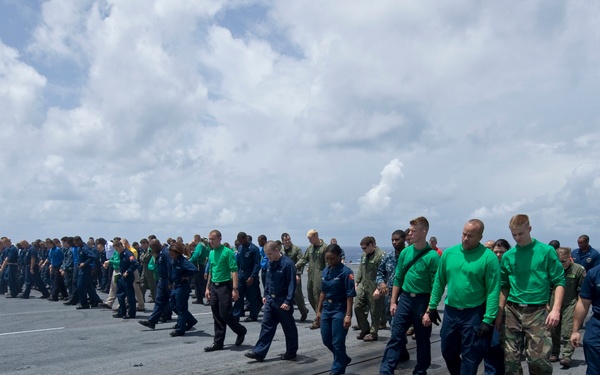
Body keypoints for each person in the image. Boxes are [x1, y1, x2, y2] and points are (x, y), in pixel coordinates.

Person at [425, 219, 500, 375]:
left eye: (470, 236)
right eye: (464, 234)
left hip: (473, 313)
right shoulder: (449, 254)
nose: (465, 238)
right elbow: (439, 281)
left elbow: (493, 290)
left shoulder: (488, 257)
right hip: (451, 311)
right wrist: (432, 306)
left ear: (480, 237)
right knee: (447, 351)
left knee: (470, 355)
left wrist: (488, 319)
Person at [496, 214, 565, 375]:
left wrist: (556, 309)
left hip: (537, 311)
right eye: (514, 234)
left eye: (521, 233)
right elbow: (504, 286)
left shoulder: (546, 251)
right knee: (510, 359)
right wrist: (499, 312)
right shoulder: (508, 256)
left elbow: (559, 281)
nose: (517, 238)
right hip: (512, 309)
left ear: (530, 229)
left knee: (538, 359)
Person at [380, 216, 440, 375]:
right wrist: (393, 302)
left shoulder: (432, 257)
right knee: (396, 337)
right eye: (410, 230)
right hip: (405, 299)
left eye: (413, 231)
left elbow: (436, 286)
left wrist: (430, 310)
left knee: (422, 340)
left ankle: (420, 371)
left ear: (423, 232)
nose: (410, 234)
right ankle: (385, 371)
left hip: (422, 301)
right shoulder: (406, 252)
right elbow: (398, 278)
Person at [244, 241, 298, 361]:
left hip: (282, 301)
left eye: (270, 254)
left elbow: (291, 284)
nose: (268, 257)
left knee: (288, 328)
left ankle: (291, 352)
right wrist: (265, 294)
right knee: (266, 326)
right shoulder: (269, 262)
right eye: (266, 255)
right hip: (270, 300)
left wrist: (288, 301)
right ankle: (259, 352)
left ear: (277, 250)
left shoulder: (287, 264)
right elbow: (268, 280)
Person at [315, 244, 356, 375]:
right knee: (326, 339)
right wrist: (319, 310)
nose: (329, 261)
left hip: (340, 309)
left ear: (339, 256)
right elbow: (323, 292)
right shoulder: (326, 271)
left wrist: (348, 315)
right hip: (327, 308)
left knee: (338, 342)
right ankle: (343, 358)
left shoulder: (346, 272)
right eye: (327, 259)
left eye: (332, 258)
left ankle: (337, 370)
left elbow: (350, 295)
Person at [204, 230, 247, 352]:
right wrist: (207, 288)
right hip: (214, 286)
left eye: (213, 239)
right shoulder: (211, 253)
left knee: (225, 314)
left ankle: (241, 331)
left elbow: (234, 271)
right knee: (216, 314)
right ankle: (218, 342)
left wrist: (235, 289)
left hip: (225, 286)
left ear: (220, 238)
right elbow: (211, 271)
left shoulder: (227, 252)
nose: (211, 241)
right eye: (209, 239)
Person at [549, 246, 585, 368]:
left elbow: (582, 290)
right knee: (553, 330)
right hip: (554, 302)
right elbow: (548, 286)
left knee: (568, 330)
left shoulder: (578, 270)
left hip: (570, 303)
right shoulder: (553, 269)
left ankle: (566, 356)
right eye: (558, 261)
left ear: (570, 258)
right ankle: (554, 352)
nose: (561, 264)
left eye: (563, 261)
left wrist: (580, 306)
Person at [483, 239, 511, 375]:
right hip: (489, 310)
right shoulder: (489, 265)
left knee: (498, 345)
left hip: (507, 311)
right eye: (496, 252)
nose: (498, 255)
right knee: (489, 345)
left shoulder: (510, 267)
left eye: (502, 252)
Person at [570, 262, 600, 375]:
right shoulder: (594, 273)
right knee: (594, 369)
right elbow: (583, 303)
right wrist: (575, 330)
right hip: (597, 325)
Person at [296, 229, 328, 329]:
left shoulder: (325, 248)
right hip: (311, 275)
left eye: (310, 239)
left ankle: (319, 319)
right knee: (310, 296)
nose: (309, 241)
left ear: (316, 236)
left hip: (320, 275)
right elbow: (304, 259)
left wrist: (326, 276)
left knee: (318, 296)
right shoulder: (310, 248)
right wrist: (294, 266)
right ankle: (319, 315)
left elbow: (328, 264)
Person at [355, 236, 385, 341]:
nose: (363, 250)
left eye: (365, 248)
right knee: (357, 306)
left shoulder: (381, 256)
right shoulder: (364, 255)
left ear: (371, 245)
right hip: (364, 284)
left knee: (374, 310)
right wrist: (357, 281)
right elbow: (361, 268)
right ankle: (365, 328)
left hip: (375, 285)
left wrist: (379, 288)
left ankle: (373, 333)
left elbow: (384, 273)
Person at [139, 239, 173, 330]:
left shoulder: (165, 253)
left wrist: (171, 281)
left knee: (175, 303)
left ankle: (189, 320)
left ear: (157, 245)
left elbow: (170, 267)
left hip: (167, 280)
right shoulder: (159, 253)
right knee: (158, 301)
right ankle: (152, 321)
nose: (152, 249)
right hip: (161, 279)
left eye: (152, 247)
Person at [376, 229, 406, 328]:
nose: (394, 242)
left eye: (397, 239)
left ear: (404, 239)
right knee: (392, 322)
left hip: (405, 295)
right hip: (389, 296)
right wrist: (381, 283)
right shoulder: (388, 257)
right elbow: (379, 272)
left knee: (399, 324)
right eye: (392, 240)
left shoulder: (409, 256)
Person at [168, 242, 198, 336]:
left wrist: (186, 275)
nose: (171, 255)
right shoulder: (175, 260)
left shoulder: (183, 261)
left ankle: (180, 329)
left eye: (172, 254)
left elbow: (194, 269)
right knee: (173, 305)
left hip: (182, 287)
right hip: (175, 286)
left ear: (177, 253)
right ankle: (191, 320)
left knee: (181, 308)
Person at [233, 232, 261, 322]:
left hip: (250, 275)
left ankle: (253, 315)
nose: (241, 243)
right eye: (239, 241)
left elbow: (257, 264)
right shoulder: (240, 248)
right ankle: (237, 313)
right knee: (238, 295)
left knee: (251, 296)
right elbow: (239, 261)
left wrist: (253, 277)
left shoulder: (254, 249)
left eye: (242, 241)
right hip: (241, 274)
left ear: (245, 238)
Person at [281, 233, 309, 321]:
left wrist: (297, 274)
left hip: (294, 275)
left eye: (289, 239)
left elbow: (301, 261)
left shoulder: (296, 249)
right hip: (284, 276)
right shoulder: (281, 250)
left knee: (297, 296)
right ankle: (287, 315)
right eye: (286, 240)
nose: (288, 241)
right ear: (282, 241)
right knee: (285, 296)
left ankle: (303, 311)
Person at [113, 240, 138, 319]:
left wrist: (128, 271)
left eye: (117, 249)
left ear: (120, 246)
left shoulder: (128, 254)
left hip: (127, 277)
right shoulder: (121, 254)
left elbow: (134, 264)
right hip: (121, 277)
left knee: (130, 295)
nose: (117, 251)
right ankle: (122, 312)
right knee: (120, 294)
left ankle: (131, 313)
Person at [189, 235, 209, 305]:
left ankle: (208, 299)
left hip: (199, 265)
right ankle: (199, 298)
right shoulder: (203, 245)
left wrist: (189, 260)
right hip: (199, 265)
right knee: (197, 283)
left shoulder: (200, 245)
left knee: (201, 283)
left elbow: (197, 254)